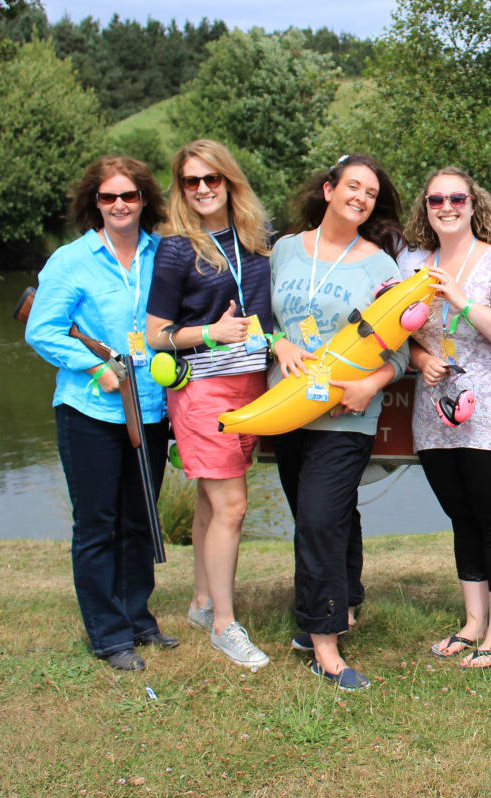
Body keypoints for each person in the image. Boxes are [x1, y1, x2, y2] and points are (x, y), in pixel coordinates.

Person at [266, 154, 408, 691]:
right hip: (288, 410)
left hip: (348, 417)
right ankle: (346, 597)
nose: (361, 198)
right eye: (353, 186)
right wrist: (277, 341)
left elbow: (399, 351)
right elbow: (262, 318)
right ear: (328, 190)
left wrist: (371, 385)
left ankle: (322, 641)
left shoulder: (382, 268)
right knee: (330, 513)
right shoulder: (282, 251)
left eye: (371, 193)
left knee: (319, 520)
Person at [25, 155, 173, 671]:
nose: (119, 205)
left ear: (144, 202)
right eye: (108, 197)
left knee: (139, 519)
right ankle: (108, 634)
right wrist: (95, 368)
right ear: (95, 203)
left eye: (129, 196)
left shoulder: (164, 254)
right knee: (97, 524)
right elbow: (41, 330)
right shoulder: (71, 260)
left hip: (150, 409)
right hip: (89, 410)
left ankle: (137, 617)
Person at [399, 167, 491, 668]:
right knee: (462, 519)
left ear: (473, 204)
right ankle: (473, 622)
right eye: (436, 199)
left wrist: (460, 298)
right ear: (426, 208)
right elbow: (402, 334)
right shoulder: (414, 263)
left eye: (457, 197)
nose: (447, 206)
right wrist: (420, 358)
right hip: (437, 410)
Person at [145, 139, 274, 671]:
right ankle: (225, 624)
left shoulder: (257, 239)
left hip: (251, 386)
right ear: (181, 189)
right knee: (232, 506)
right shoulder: (177, 248)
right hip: (201, 390)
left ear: (229, 182)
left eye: (211, 179)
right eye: (190, 182)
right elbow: (155, 335)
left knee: (208, 501)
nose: (201, 190)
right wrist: (210, 332)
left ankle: (201, 601)